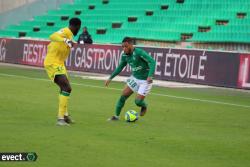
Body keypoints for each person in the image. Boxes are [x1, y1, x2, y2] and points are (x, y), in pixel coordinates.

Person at [105, 37, 156, 121]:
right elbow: (120, 67)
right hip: (135, 78)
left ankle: (144, 105)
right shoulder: (125, 55)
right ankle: (116, 116)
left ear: (131, 45)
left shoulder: (139, 52)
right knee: (123, 96)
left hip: (145, 81)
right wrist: (110, 78)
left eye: (125, 46)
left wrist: (150, 76)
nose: (124, 49)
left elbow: (152, 62)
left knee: (138, 102)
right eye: (122, 47)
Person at [44, 17, 81, 126]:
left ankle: (64, 115)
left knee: (64, 88)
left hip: (60, 64)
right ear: (77, 27)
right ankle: (60, 119)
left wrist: (71, 42)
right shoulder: (65, 31)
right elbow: (52, 36)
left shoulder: (71, 36)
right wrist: (64, 40)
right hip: (53, 63)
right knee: (67, 87)